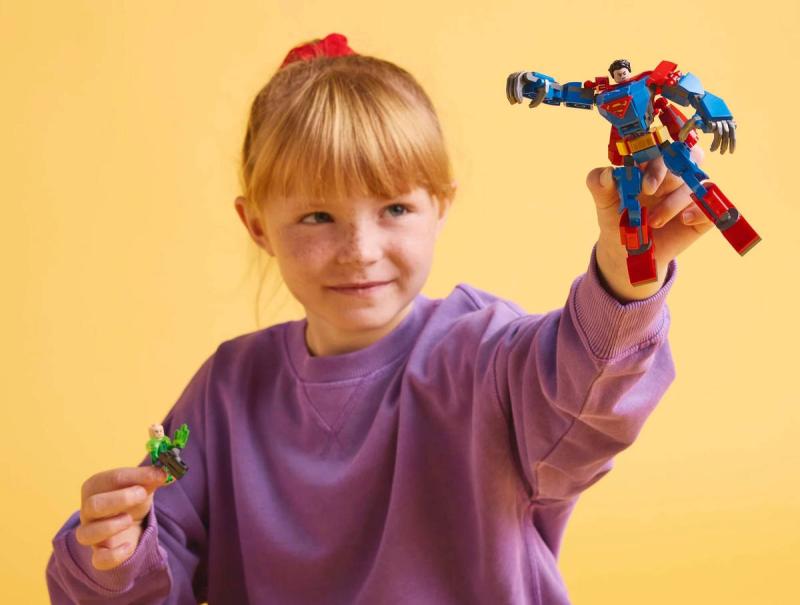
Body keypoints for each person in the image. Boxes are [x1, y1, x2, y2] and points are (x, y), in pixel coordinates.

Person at [45, 33, 713, 604]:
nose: (359, 249)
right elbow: (153, 568)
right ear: (257, 226)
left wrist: (626, 271)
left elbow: (585, 398)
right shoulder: (227, 389)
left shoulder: (484, 355)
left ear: (440, 206)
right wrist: (112, 557)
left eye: (394, 208)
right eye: (317, 216)